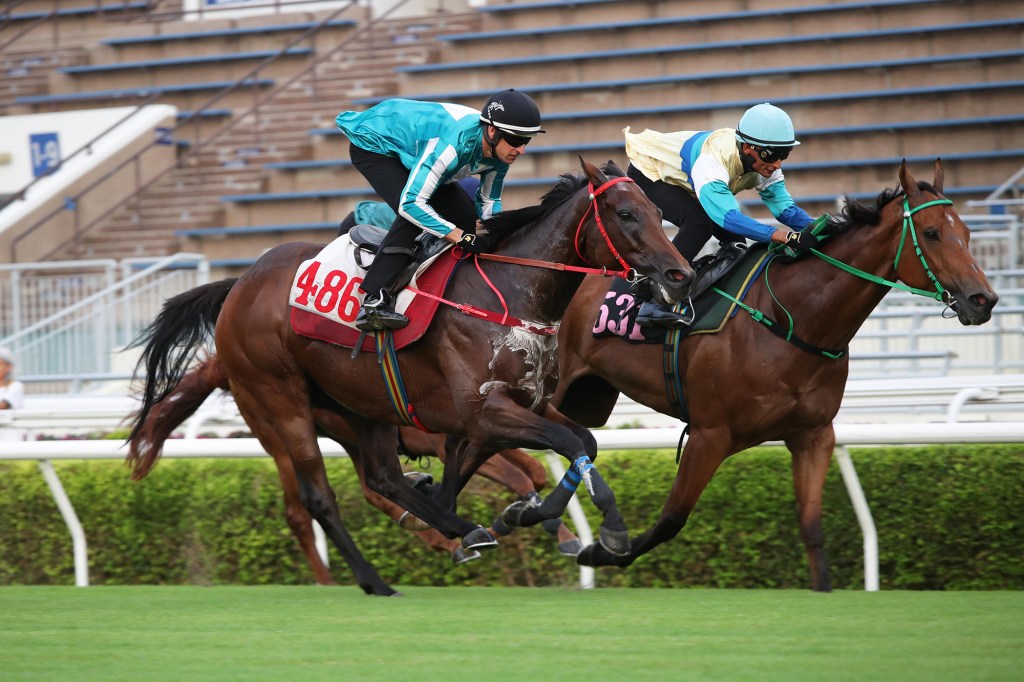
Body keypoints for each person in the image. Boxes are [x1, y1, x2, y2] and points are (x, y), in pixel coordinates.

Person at [335, 89, 545, 331]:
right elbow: (411, 205)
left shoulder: (500, 153)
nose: (522, 150)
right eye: (516, 140)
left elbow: (489, 203)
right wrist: (458, 236)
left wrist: (500, 238)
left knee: (465, 214)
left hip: (417, 148)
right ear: (492, 131)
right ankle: (374, 300)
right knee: (414, 216)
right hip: (376, 145)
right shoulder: (453, 146)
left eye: (527, 141)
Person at [623, 102, 818, 328]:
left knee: (736, 244)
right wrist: (782, 236)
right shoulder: (713, 160)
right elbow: (728, 217)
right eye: (772, 155)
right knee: (699, 223)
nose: (777, 164)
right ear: (748, 147)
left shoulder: (763, 162)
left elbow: (786, 210)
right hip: (649, 172)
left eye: (783, 155)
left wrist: (821, 226)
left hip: (688, 180)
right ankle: (652, 298)